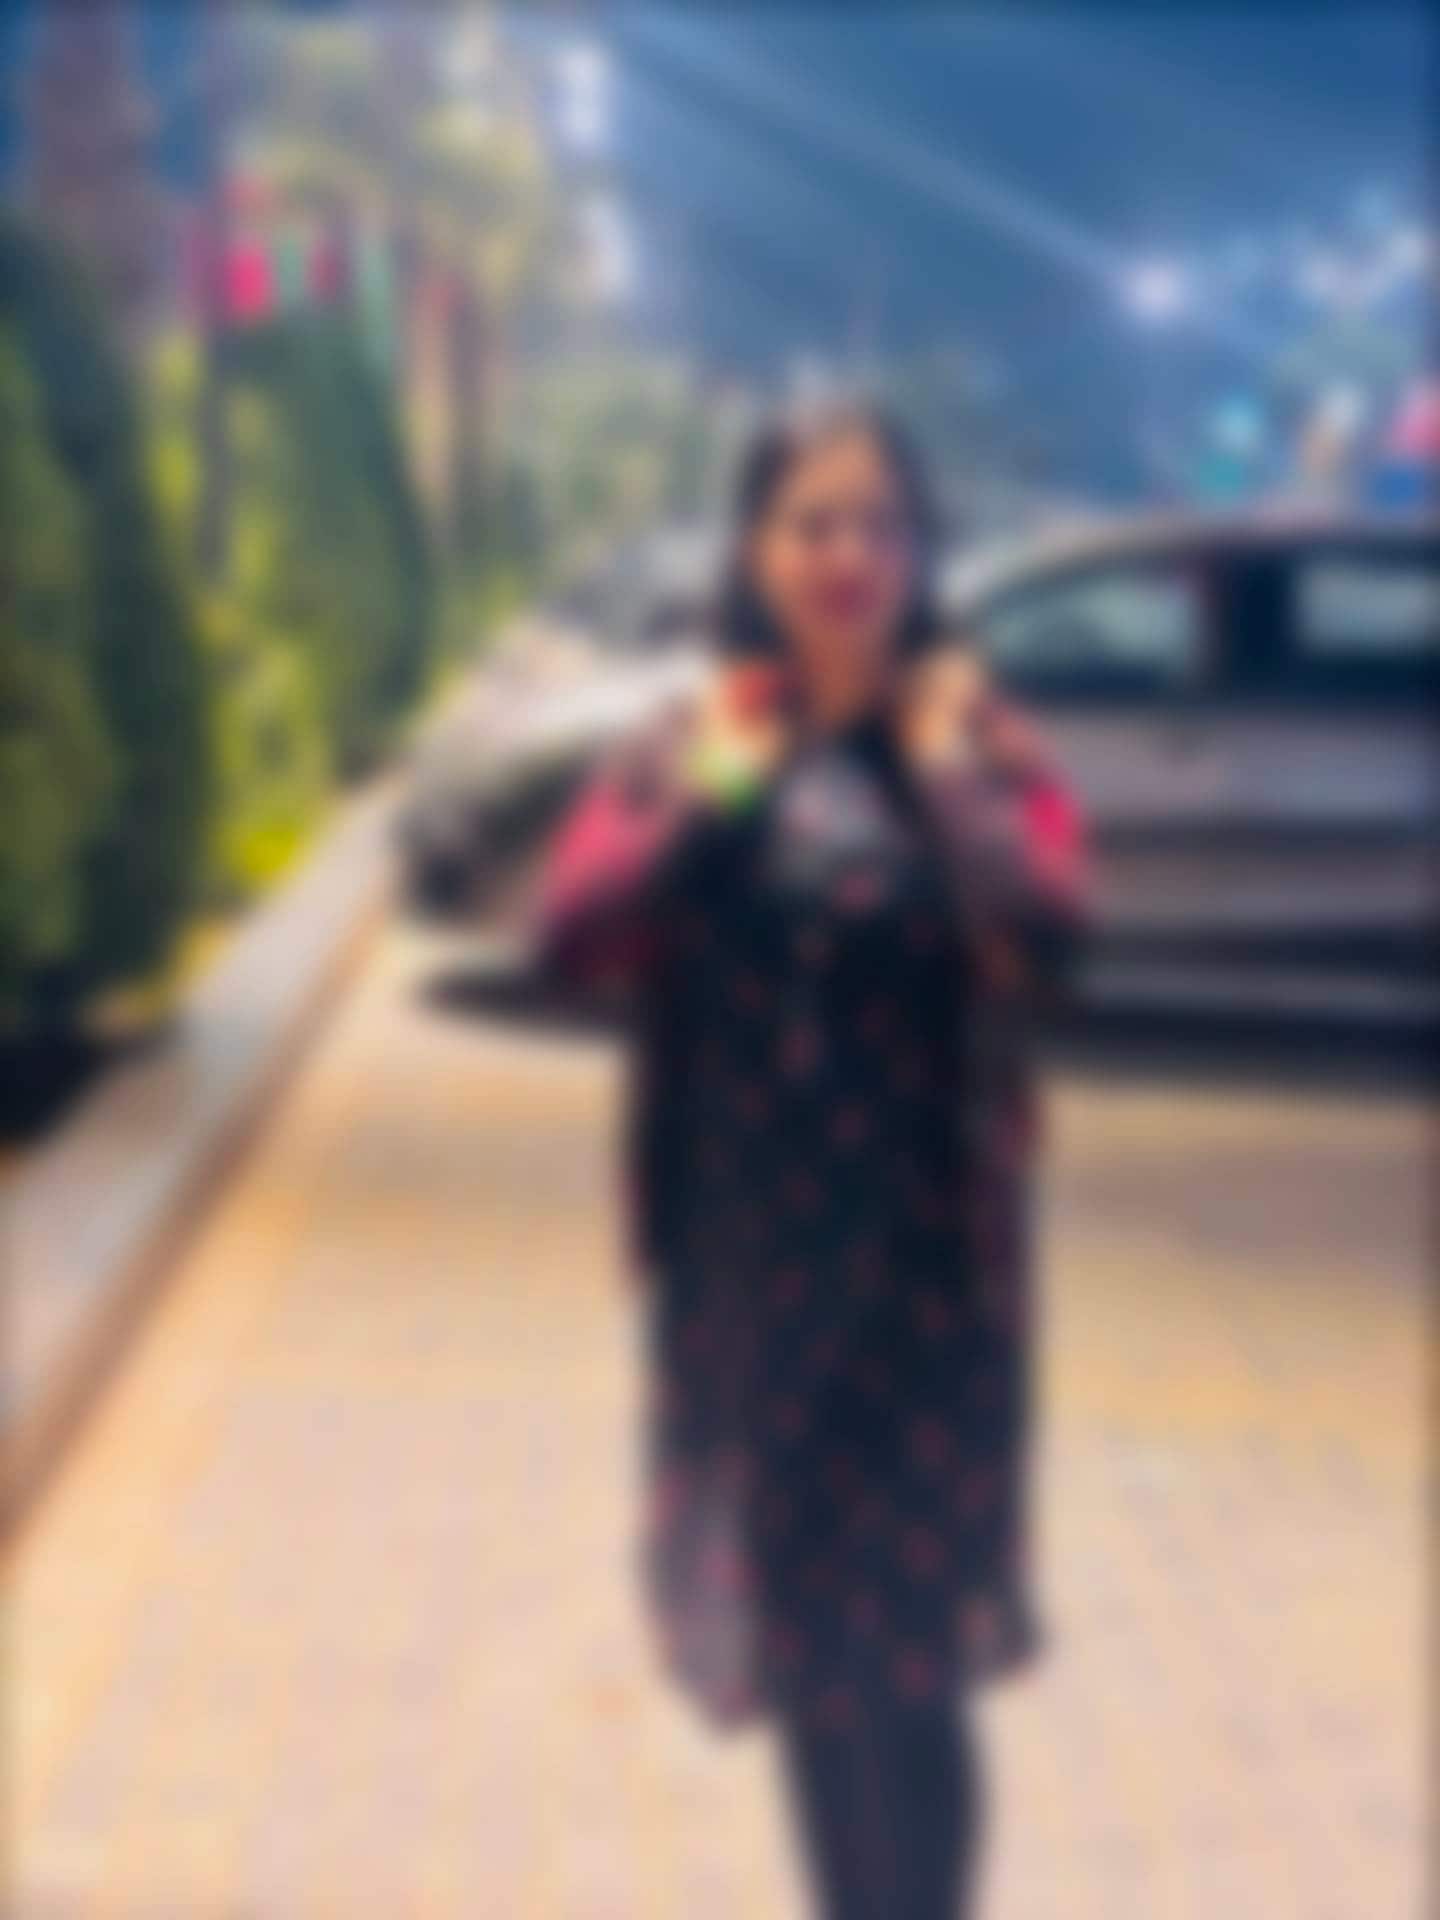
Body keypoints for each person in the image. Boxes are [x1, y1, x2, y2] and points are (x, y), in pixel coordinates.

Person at [533, 402, 1087, 1919]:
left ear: (923, 551)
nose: (850, 553)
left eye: (881, 523)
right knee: (808, 1662)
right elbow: (572, 933)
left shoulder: (978, 742)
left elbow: (1050, 933)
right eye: (813, 521)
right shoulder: (696, 738)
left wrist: (944, 766)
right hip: (752, 1294)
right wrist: (721, 780)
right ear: (757, 551)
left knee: (913, 1676)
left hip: (931, 1295)